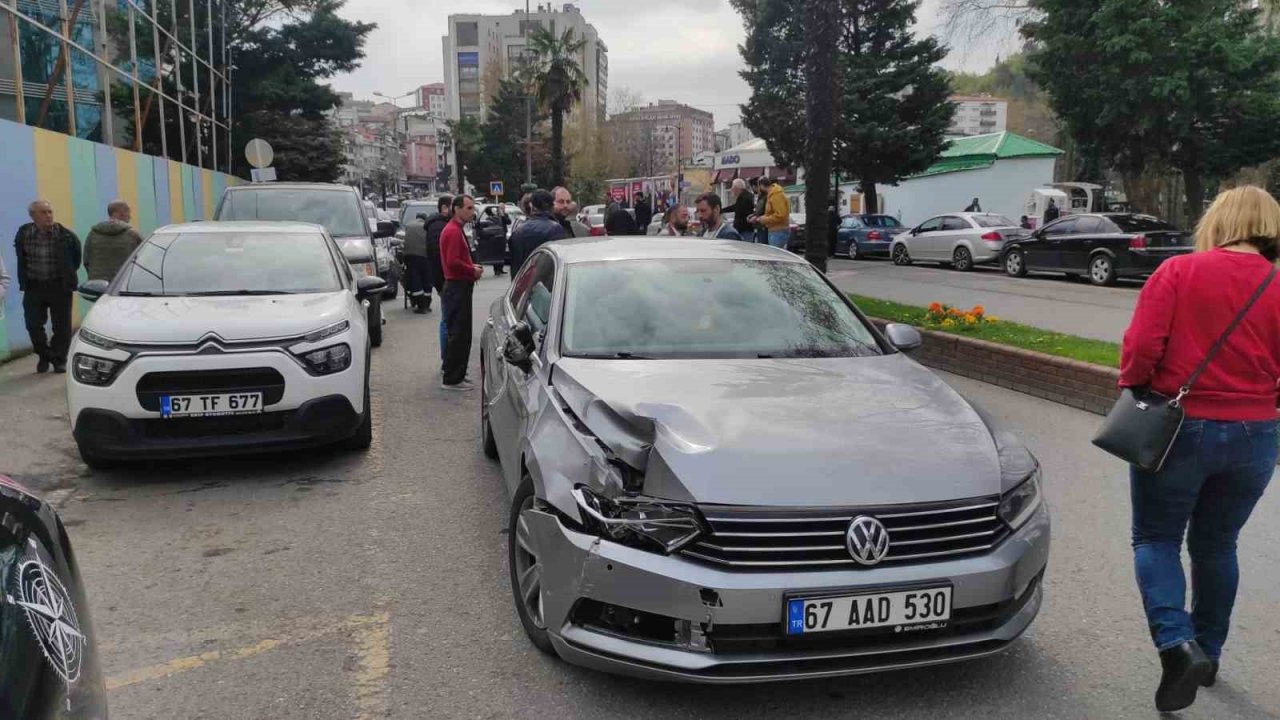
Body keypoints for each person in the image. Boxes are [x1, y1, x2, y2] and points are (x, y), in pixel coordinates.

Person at [1119, 185, 1280, 712]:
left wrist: (1136, 386)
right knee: (1218, 545)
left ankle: (1177, 646)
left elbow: (1142, 348)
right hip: (1257, 434)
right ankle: (1207, 654)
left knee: (1156, 537)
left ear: (1220, 221)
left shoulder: (1179, 272)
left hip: (1180, 428)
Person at [13, 200, 81, 374]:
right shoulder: (24, 235)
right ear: (33, 216)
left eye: (50, 211)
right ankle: (44, 355)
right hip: (34, 286)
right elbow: (22, 257)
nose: (48, 215)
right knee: (33, 324)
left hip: (59, 286)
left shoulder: (66, 236)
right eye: (43, 212)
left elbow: (75, 259)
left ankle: (59, 360)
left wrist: (67, 276)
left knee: (62, 327)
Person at [439, 195, 484, 390]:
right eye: (469, 208)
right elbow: (452, 262)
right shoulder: (453, 231)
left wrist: (471, 266)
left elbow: (457, 259)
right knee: (458, 333)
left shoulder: (456, 230)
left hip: (459, 285)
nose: (472, 212)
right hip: (457, 286)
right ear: (456, 209)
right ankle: (452, 378)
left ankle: (457, 374)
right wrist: (471, 270)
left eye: (473, 208)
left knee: (461, 333)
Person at [83, 200, 143, 282]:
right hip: (124, 284)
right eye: (128, 213)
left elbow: (86, 260)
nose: (130, 217)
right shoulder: (133, 235)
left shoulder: (93, 234)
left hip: (97, 284)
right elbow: (144, 258)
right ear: (121, 213)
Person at [509, 189, 566, 274]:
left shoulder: (518, 230)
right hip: (546, 278)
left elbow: (514, 261)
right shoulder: (556, 229)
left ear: (532, 206)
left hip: (522, 279)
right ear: (552, 206)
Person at [424, 196, 453, 351]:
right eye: (453, 206)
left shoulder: (438, 224)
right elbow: (438, 257)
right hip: (444, 280)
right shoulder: (439, 227)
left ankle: (448, 356)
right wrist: (443, 283)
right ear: (444, 208)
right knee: (447, 319)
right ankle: (447, 357)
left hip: (442, 279)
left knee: (448, 317)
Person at [401, 212, 434, 314]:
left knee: (415, 279)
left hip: (411, 256)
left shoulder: (409, 225)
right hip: (425, 256)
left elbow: (405, 240)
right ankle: (426, 304)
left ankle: (420, 305)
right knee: (427, 279)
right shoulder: (428, 227)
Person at [758, 177, 791, 248]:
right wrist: (763, 218)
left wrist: (764, 219)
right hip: (775, 230)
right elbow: (772, 212)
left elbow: (780, 215)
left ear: (761, 186)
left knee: (775, 253)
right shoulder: (772, 194)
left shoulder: (776, 195)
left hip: (778, 231)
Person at [750, 177, 768, 244]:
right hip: (760, 225)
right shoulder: (761, 197)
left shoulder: (765, 197)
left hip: (763, 226)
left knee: (763, 245)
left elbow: (761, 210)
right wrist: (752, 215)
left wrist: (755, 217)